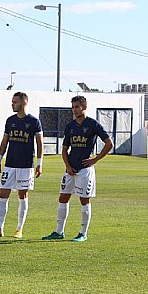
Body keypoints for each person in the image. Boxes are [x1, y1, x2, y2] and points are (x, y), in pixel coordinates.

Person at [42, 95, 113, 242]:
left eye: (77, 107)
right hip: (70, 169)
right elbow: (64, 149)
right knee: (63, 197)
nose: (74, 110)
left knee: (84, 200)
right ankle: (59, 231)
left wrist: (95, 159)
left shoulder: (93, 124)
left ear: (84, 107)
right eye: (73, 107)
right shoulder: (70, 126)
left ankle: (82, 233)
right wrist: (67, 166)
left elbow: (109, 143)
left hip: (85, 170)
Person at [0, 92, 43, 239]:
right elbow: (4, 141)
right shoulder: (10, 121)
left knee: (22, 195)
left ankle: (19, 229)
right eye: (12, 102)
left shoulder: (34, 122)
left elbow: (39, 143)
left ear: (23, 103)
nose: (12, 104)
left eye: (15, 102)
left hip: (25, 166)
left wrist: (40, 164)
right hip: (9, 164)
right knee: (3, 194)